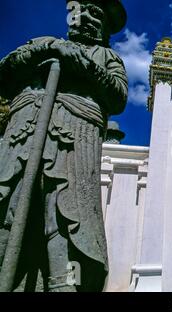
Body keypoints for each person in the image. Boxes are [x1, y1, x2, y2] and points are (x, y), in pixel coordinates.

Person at [0, 0, 127, 291]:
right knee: (9, 206)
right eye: (79, 9)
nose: (84, 17)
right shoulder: (44, 44)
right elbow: (5, 74)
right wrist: (42, 50)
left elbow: (117, 96)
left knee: (65, 218)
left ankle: (65, 284)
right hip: (24, 137)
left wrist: (79, 63)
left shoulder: (107, 56)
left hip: (73, 142)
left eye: (96, 12)